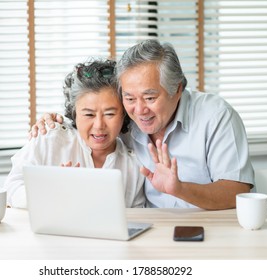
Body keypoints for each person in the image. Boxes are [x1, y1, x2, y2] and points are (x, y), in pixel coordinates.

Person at [30, 39, 254, 210]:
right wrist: (52, 120)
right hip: (151, 236)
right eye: (129, 98)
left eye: (149, 98)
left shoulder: (215, 115)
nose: (139, 110)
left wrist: (180, 189)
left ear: (177, 90)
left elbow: (238, 192)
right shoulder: (125, 121)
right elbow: (94, 116)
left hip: (214, 231)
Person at [4, 59, 145, 209]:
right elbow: (11, 188)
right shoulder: (50, 139)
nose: (99, 125)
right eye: (89, 115)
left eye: (109, 114)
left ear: (124, 113)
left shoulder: (133, 164)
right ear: (74, 113)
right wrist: (52, 191)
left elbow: (137, 218)